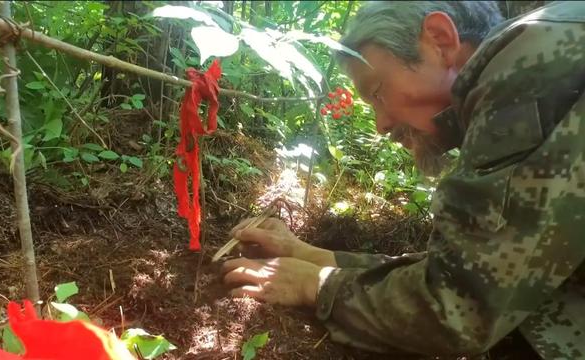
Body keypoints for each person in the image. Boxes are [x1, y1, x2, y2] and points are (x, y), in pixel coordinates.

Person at [221, 1, 585, 358]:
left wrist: (313, 286)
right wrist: (313, 256)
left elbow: (457, 308)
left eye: (376, 93)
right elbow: (476, 263)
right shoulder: (541, 45)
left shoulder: (528, 69)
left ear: (440, 39)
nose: (381, 125)